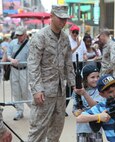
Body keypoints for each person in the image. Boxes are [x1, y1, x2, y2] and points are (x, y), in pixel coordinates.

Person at [27, 5, 75, 142]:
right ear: (52, 16)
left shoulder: (65, 38)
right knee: (38, 129)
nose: (63, 21)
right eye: (60, 18)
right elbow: (33, 64)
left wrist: (74, 84)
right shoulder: (40, 36)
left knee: (57, 129)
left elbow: (68, 63)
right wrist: (37, 90)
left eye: (65, 18)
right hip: (44, 92)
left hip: (60, 91)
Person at [73, 64, 105, 142]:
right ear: (85, 78)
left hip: (95, 128)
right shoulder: (77, 91)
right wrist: (77, 112)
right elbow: (74, 110)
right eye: (92, 77)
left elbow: (96, 107)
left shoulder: (99, 91)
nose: (96, 79)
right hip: (82, 129)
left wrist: (84, 93)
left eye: (98, 76)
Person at [7, 26, 31, 121]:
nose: (19, 37)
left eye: (20, 35)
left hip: (24, 70)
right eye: (17, 35)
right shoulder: (12, 43)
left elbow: (32, 57)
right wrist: (11, 59)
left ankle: (33, 109)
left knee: (25, 91)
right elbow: (8, 54)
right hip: (14, 70)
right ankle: (19, 111)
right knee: (15, 91)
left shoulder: (29, 44)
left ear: (25, 34)